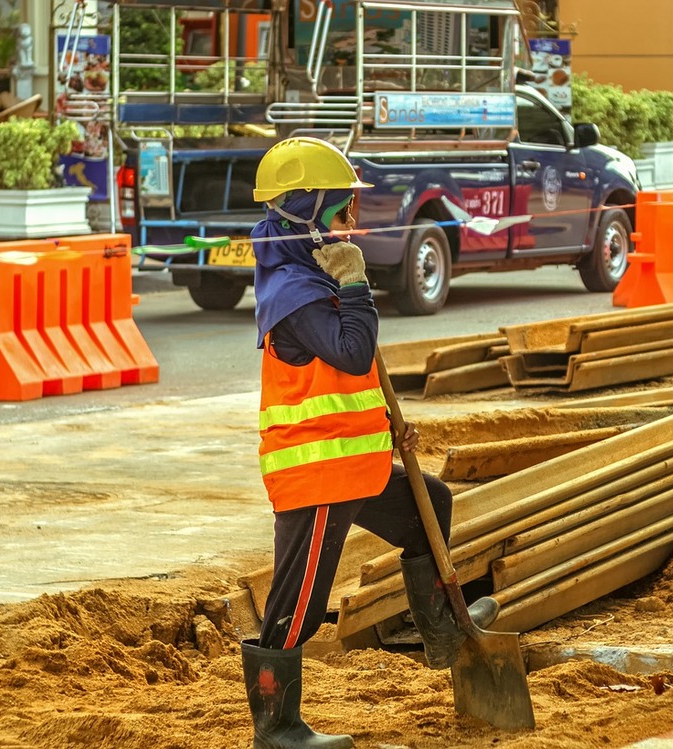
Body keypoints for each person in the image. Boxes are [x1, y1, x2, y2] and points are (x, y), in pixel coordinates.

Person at [241, 137, 499, 748]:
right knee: (296, 604)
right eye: (340, 210)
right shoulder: (293, 291)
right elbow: (353, 354)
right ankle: (276, 728)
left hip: (354, 461)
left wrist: (386, 425)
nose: (350, 223)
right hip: (318, 472)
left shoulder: (312, 270)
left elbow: (341, 378)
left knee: (429, 506)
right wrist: (357, 286)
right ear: (305, 210)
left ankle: (443, 634)